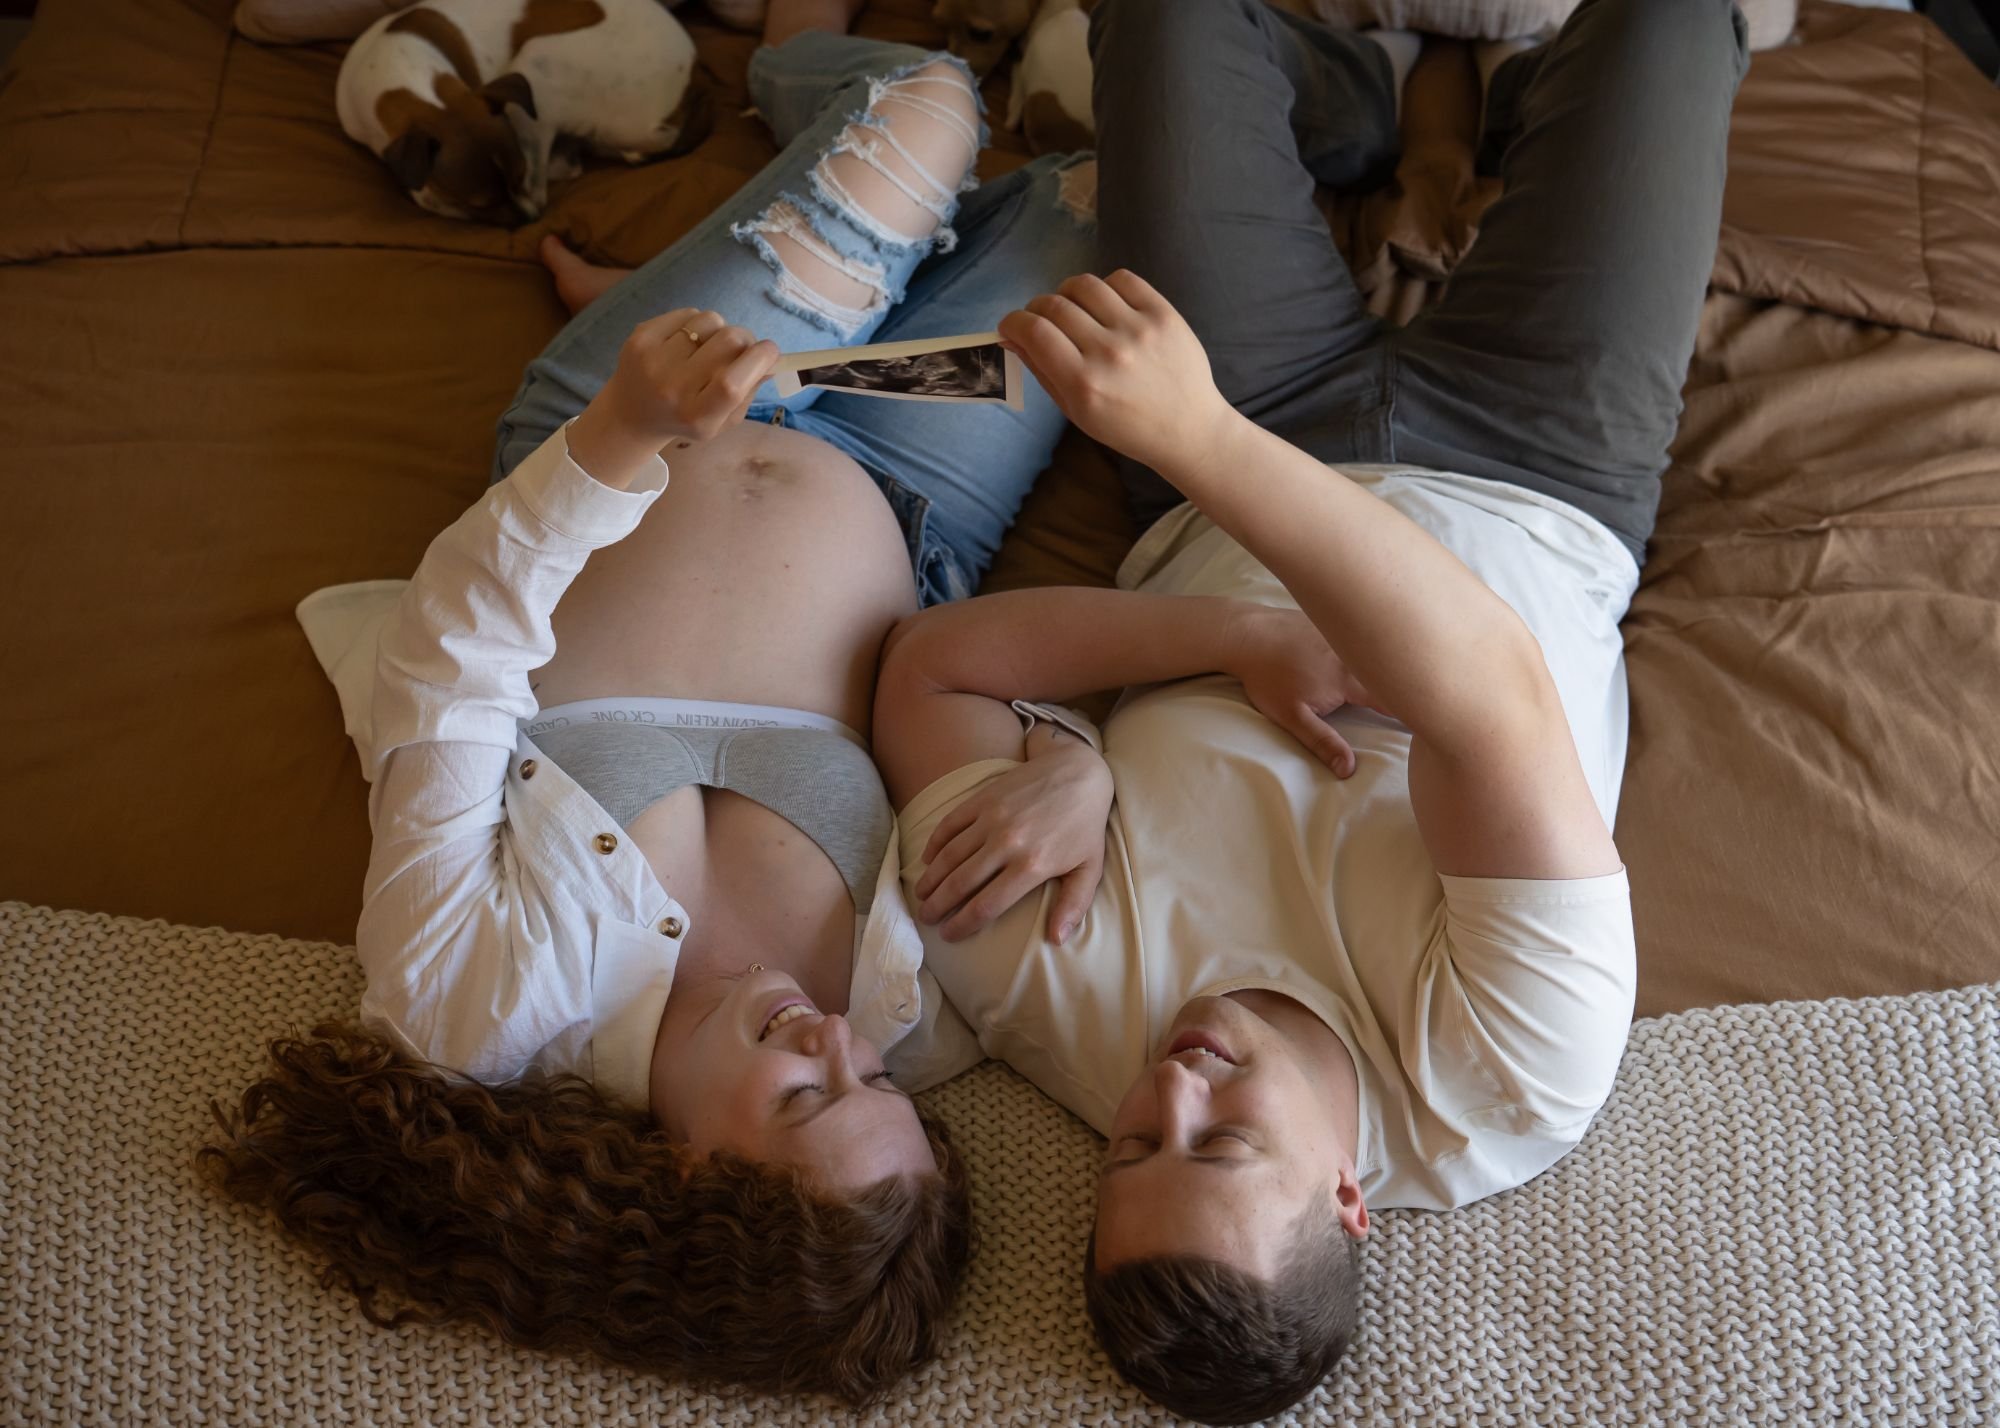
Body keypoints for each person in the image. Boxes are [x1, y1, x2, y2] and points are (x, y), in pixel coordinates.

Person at [204, 0, 1099, 1402]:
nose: (840, 1045)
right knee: (1101, 192)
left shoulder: (476, 1007)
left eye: (804, 1100)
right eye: (875, 1088)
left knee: (931, 103)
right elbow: (1006, 740)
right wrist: (1080, 769)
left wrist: (622, 435)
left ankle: (787, 55)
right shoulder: (923, 1007)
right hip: (910, 497)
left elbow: (448, 660)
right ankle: (790, 180)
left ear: (683, 1180)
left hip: (641, 427)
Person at [868, 0, 1749, 1421]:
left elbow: (925, 666)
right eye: (1220, 1146)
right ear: (1349, 1196)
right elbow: (1489, 695)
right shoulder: (1507, 1074)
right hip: (1540, 465)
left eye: (1131, 1148)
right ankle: (1493, 101)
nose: (1174, 1089)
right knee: (1672, 22)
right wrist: (1193, 432)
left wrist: (1116, 713)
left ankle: (1351, 99)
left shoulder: (1048, 995)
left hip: (1237, 447)